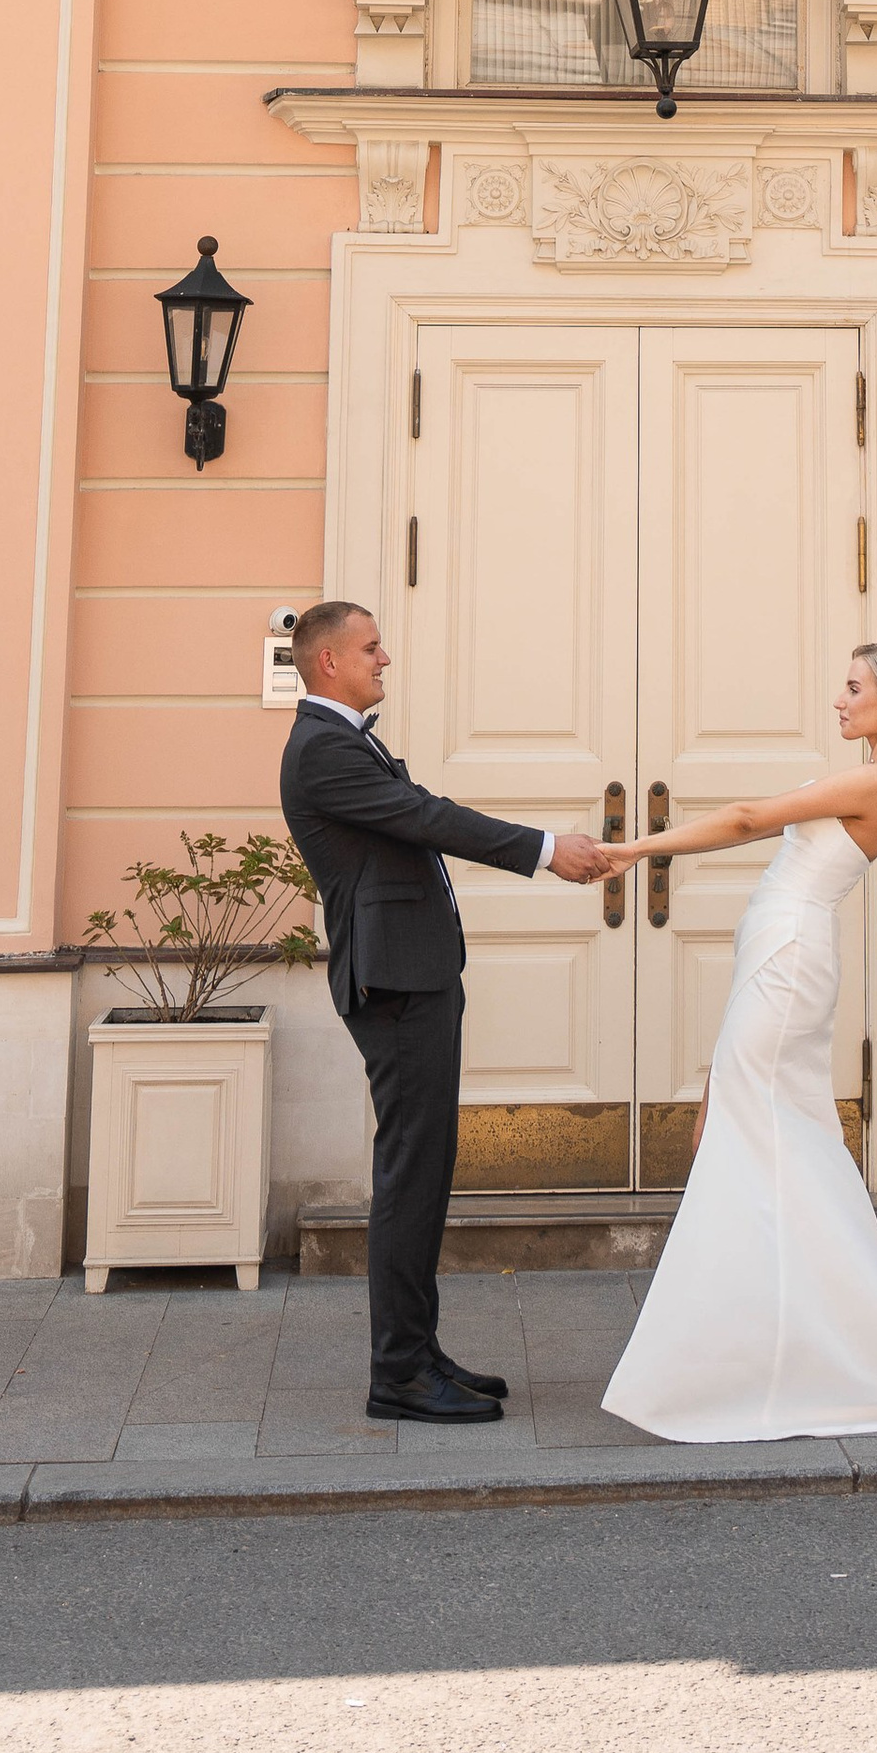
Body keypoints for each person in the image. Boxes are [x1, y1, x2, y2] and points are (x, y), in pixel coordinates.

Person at [599, 641, 877, 1441]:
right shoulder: (874, 777)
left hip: (790, 960)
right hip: (780, 956)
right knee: (773, 1138)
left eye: (853, 688)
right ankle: (787, 1332)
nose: (839, 700)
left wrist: (636, 849)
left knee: (753, 1139)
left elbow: (748, 819)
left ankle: (740, 1346)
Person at [277, 597, 612, 1425]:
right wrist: (545, 850)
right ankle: (398, 1372)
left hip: (414, 976)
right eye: (371, 648)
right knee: (410, 1173)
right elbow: (428, 818)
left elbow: (419, 809)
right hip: (394, 984)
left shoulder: (346, 740)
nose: (384, 659)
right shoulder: (322, 749)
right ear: (329, 662)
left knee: (424, 1170)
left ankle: (418, 1351)